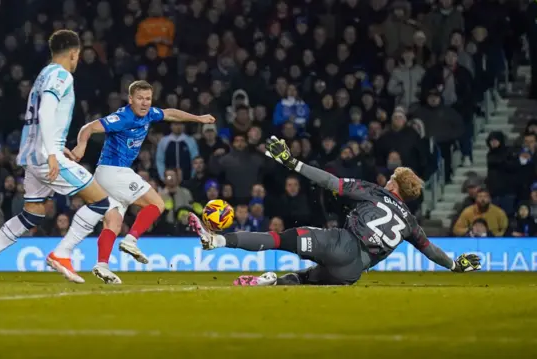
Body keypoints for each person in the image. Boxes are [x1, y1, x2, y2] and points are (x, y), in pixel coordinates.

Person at [189, 136, 481, 286]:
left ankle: (217, 240)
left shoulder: (375, 192)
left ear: (394, 186)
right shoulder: (410, 221)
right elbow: (429, 250)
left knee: (280, 239)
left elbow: (330, 181)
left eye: (391, 178)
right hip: (354, 272)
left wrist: (293, 163)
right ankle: (272, 282)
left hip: (341, 244)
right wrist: (455, 265)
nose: (387, 179)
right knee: (307, 278)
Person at [0, 30, 116, 287]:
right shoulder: (61, 75)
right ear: (73, 53)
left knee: (33, 214)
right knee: (101, 202)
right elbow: (46, 110)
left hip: (33, 155)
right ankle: (62, 253)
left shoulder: (43, 75)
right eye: (78, 55)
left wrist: (56, 148)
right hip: (46, 157)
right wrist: (54, 154)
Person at [70, 80, 214, 280]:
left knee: (113, 222)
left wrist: (198, 118)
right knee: (157, 203)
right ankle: (131, 240)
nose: (145, 103)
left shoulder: (149, 113)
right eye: (140, 98)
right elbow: (88, 127)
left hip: (108, 175)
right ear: (130, 99)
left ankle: (101, 265)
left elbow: (171, 113)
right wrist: (81, 146)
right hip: (114, 171)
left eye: (148, 99)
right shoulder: (123, 117)